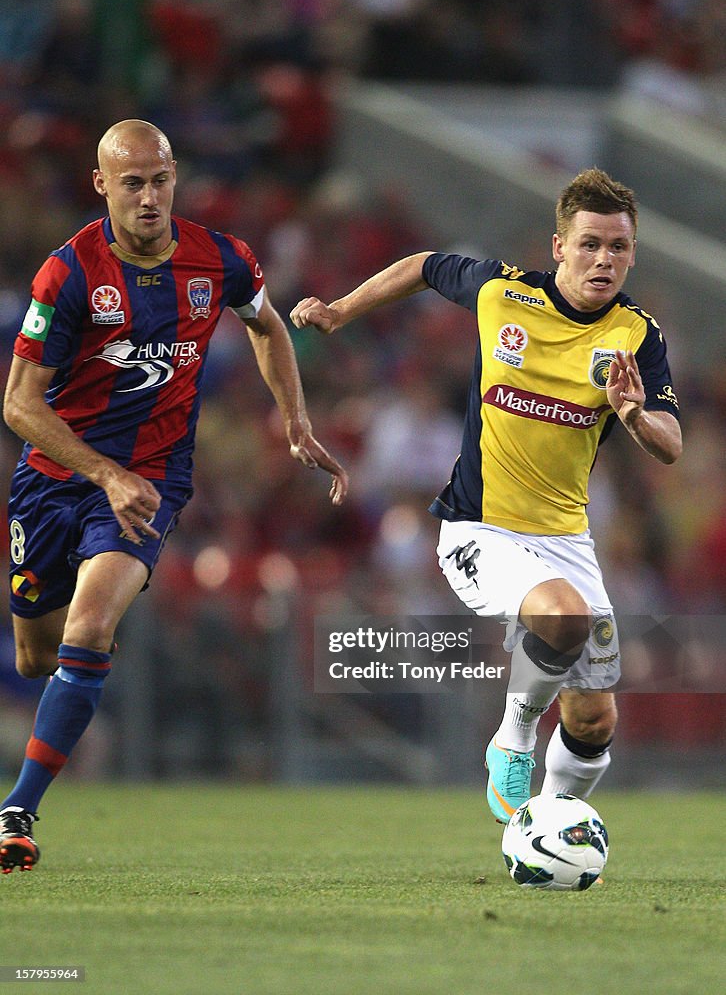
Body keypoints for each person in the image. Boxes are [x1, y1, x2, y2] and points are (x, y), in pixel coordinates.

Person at [0, 120, 348, 873]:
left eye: (160, 179)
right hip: (56, 482)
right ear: (102, 186)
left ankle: (17, 811)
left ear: (175, 177)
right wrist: (101, 471)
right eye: (133, 183)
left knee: (89, 630)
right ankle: (71, 670)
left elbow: (267, 326)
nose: (150, 196)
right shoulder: (67, 276)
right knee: (36, 655)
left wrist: (295, 420)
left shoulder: (220, 258)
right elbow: (20, 405)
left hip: (152, 480)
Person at [291, 168, 681, 823]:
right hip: (479, 531)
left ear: (632, 252)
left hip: (566, 541)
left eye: (618, 247)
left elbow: (670, 443)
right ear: (559, 247)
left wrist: (636, 415)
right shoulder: (504, 294)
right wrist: (340, 310)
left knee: (592, 719)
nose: (604, 259)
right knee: (562, 617)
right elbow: (423, 266)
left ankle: (546, 827)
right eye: (589, 244)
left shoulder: (637, 336)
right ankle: (514, 734)